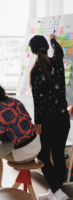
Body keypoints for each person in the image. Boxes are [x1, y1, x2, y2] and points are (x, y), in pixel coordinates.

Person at [0, 83, 41, 189]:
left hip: (25, 155)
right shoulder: (16, 101)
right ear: (3, 91)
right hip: (37, 147)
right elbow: (27, 120)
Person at [29, 34, 70, 200]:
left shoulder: (35, 70)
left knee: (43, 156)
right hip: (63, 118)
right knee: (59, 155)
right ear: (46, 47)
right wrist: (53, 39)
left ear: (32, 51)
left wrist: (37, 122)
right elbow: (59, 51)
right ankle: (56, 192)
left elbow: (38, 100)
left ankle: (57, 192)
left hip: (47, 121)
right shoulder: (58, 63)